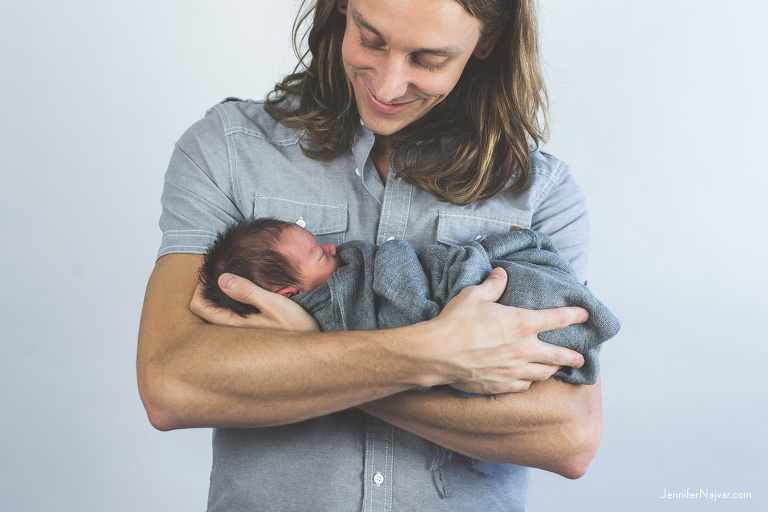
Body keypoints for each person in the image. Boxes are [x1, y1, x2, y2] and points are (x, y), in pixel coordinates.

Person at [137, 0, 604, 509]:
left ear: (486, 43)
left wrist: (310, 352)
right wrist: (435, 355)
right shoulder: (226, 152)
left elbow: (568, 435)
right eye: (371, 38)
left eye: (428, 60)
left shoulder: (542, 195)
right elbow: (172, 383)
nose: (386, 86)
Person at [198, 217, 619, 388]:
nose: (333, 247)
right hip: (445, 298)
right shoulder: (332, 308)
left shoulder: (552, 186)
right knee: (524, 301)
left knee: (514, 279)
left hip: (453, 277)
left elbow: (574, 445)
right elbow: (396, 309)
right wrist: (438, 343)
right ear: (290, 296)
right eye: (320, 255)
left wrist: (316, 360)